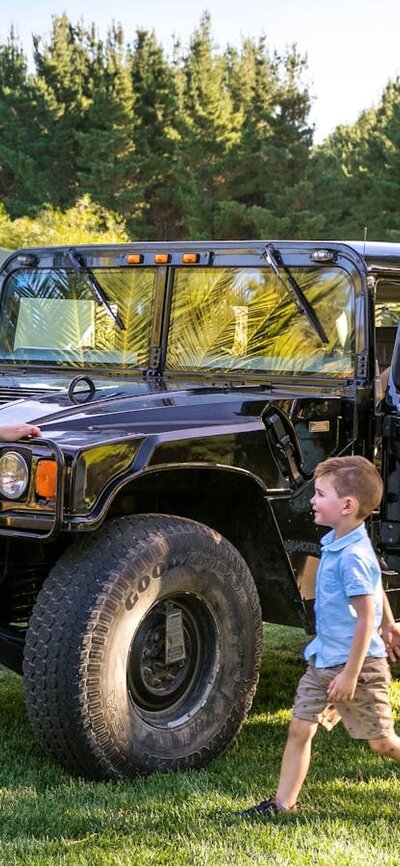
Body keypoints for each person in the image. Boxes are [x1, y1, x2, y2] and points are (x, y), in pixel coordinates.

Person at [239, 455, 400, 819]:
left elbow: (365, 617)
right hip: (324, 661)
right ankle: (283, 804)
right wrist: (391, 626)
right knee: (299, 728)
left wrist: (351, 675)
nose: (312, 500)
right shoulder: (338, 541)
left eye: (320, 493)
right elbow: (375, 591)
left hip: (358, 668)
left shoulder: (352, 555)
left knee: (383, 743)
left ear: (347, 506)